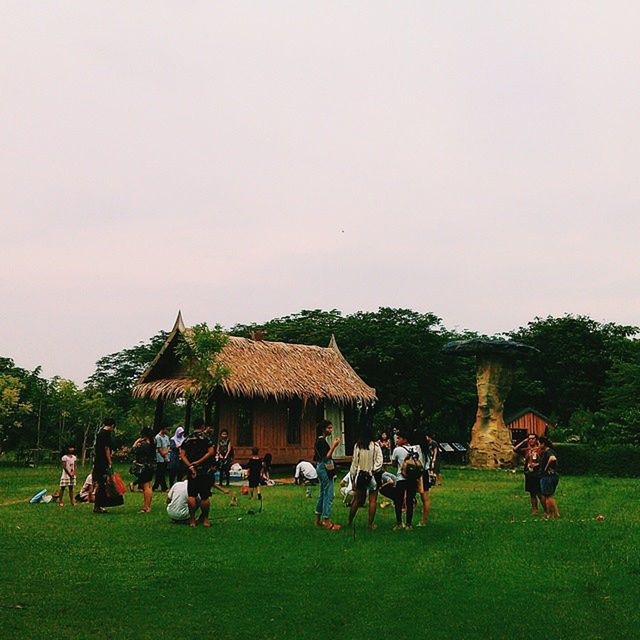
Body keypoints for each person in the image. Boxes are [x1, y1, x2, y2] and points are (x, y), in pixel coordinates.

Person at [180, 418, 215, 527]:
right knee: (205, 496)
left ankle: (192, 520)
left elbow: (182, 455)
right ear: (202, 426)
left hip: (192, 471)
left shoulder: (187, 438)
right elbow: (211, 452)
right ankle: (205, 520)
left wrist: (190, 465)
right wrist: (199, 462)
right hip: (204, 470)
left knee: (192, 495)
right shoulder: (206, 438)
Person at [347, 424, 383, 530]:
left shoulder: (358, 446)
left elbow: (354, 462)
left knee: (357, 500)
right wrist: (373, 470)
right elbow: (379, 461)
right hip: (372, 475)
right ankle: (370, 524)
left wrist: (353, 476)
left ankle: (349, 521)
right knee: (372, 500)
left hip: (360, 475)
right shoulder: (375, 446)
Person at [390, 431, 423, 530]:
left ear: (404, 439)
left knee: (398, 501)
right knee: (410, 501)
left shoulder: (397, 449)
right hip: (412, 478)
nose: (397, 440)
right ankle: (409, 524)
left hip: (401, 478)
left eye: (399, 438)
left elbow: (394, 463)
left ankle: (399, 523)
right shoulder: (416, 449)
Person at [313, 419, 341, 530]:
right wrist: (334, 446)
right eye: (329, 428)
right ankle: (327, 521)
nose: (331, 430)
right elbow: (326, 456)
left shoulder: (320, 441)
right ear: (323, 430)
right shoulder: (321, 442)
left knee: (323, 493)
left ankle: (318, 519)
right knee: (328, 494)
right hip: (324, 468)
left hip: (320, 467)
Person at [513, 434, 543, 514]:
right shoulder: (527, 450)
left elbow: (544, 461)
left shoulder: (540, 450)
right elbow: (515, 449)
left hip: (537, 473)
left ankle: (546, 509)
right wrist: (524, 441)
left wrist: (537, 465)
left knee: (539, 493)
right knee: (532, 493)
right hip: (529, 473)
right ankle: (535, 510)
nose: (531, 440)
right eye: (529, 439)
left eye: (533, 439)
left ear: (536, 440)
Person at [92, 418, 114, 514]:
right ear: (112, 425)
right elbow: (107, 448)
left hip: (97, 461)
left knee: (100, 483)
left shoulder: (99, 433)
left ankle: (98, 505)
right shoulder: (106, 434)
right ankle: (99, 505)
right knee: (102, 484)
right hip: (103, 461)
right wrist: (109, 461)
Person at [131, 428, 156, 513]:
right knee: (148, 486)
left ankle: (146, 507)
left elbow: (133, 451)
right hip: (151, 466)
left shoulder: (143, 444)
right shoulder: (153, 443)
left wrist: (136, 442)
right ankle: (147, 506)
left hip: (144, 467)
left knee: (146, 487)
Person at [416, 433, 438, 526]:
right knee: (425, 498)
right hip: (425, 473)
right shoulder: (427, 450)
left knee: (409, 495)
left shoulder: (417, 449)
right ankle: (424, 521)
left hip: (417, 473)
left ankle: (407, 521)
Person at [538, 437, 560, 519]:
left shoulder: (548, 452)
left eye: (539, 444)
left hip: (547, 477)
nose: (539, 446)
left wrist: (546, 468)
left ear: (543, 444)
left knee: (548, 496)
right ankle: (556, 513)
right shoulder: (549, 451)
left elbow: (552, 458)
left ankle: (551, 514)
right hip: (552, 476)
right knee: (550, 496)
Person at [152, 425, 171, 492]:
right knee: (161, 472)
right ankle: (164, 487)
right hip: (160, 458)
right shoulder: (158, 437)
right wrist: (164, 455)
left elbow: (168, 445)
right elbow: (159, 449)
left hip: (166, 456)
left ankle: (155, 486)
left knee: (160, 473)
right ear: (162, 429)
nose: (167, 431)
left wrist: (167, 452)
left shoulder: (166, 437)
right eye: (166, 429)